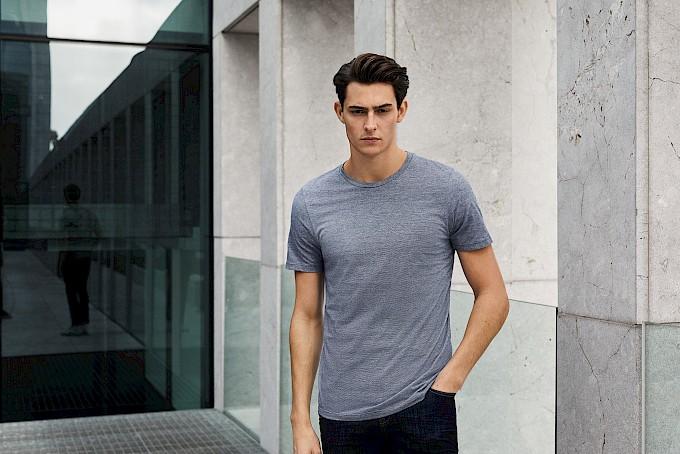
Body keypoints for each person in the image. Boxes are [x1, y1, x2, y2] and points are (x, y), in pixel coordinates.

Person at [286, 53, 510, 453]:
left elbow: (493, 294)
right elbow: (306, 315)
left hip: (425, 407)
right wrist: (299, 419)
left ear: (401, 111)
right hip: (343, 416)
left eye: (382, 110)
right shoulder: (312, 203)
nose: (370, 124)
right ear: (339, 112)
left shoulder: (446, 190)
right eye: (358, 111)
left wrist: (450, 381)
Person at [58, 183, 101, 336]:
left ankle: (75, 324)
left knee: (71, 291)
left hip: (71, 256)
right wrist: (88, 248)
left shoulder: (65, 215)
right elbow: (99, 234)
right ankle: (83, 324)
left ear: (65, 196)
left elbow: (63, 239)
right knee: (82, 290)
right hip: (85, 257)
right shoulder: (89, 213)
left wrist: (61, 262)